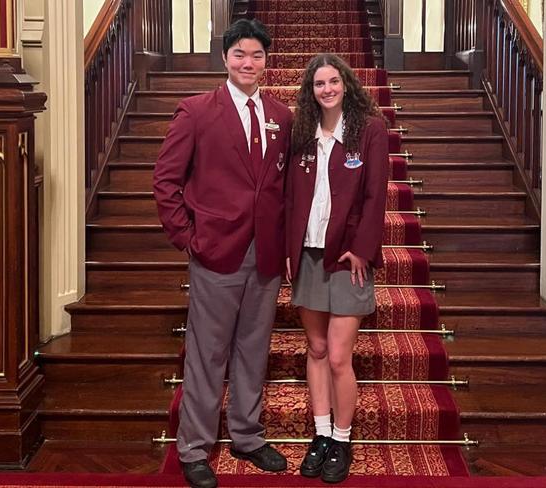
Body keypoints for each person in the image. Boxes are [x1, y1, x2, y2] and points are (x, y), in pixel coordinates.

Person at [153, 19, 292, 488]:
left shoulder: (282, 114)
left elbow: (282, 185)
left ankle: (247, 436)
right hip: (215, 250)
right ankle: (194, 447)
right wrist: (187, 237)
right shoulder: (196, 111)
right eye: (239, 55)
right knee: (208, 353)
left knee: (253, 349)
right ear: (225, 59)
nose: (247, 63)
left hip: (266, 253)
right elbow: (166, 181)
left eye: (256, 55)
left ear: (265, 61)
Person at [285, 53, 389, 483]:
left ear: (346, 84)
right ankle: (322, 434)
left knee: (340, 356)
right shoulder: (303, 133)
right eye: (318, 84)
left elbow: (375, 196)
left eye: (333, 81)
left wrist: (362, 250)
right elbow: (290, 197)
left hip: (348, 258)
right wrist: (289, 248)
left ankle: (342, 440)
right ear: (311, 92)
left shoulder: (369, 131)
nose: (326, 89)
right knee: (317, 350)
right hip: (308, 254)